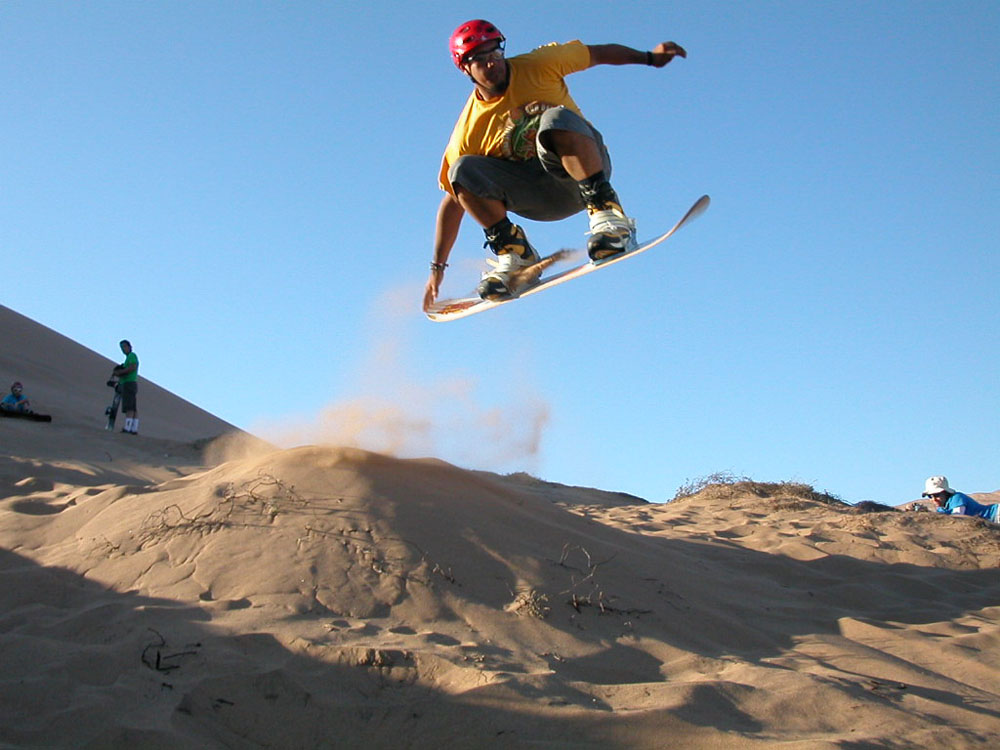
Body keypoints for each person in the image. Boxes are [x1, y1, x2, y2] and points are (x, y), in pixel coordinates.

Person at [424, 20, 686, 309]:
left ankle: (608, 215)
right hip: (538, 199)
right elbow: (453, 201)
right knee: (461, 169)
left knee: (554, 119)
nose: (492, 64)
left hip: (582, 168)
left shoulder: (539, 64)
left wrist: (649, 57)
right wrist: (437, 269)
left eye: (495, 54)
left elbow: (597, 54)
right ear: (465, 68)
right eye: (481, 60)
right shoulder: (468, 130)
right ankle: (517, 255)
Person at [922, 476, 998, 523]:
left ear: (945, 493)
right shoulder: (942, 509)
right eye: (930, 496)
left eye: (937, 495)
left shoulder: (956, 498)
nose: (934, 499)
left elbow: (958, 517)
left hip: (995, 514)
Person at [113, 340, 139, 435]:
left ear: (129, 346)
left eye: (124, 347)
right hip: (128, 383)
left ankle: (128, 428)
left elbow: (132, 367)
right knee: (132, 406)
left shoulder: (132, 356)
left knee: (129, 407)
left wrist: (120, 372)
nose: (123, 349)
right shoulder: (128, 358)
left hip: (129, 383)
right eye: (121, 348)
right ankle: (134, 428)